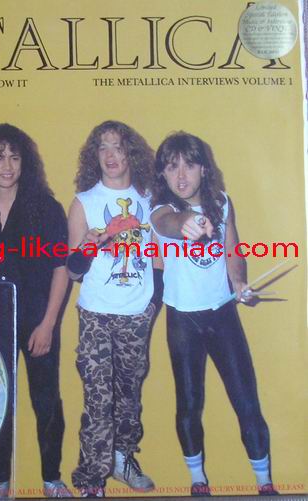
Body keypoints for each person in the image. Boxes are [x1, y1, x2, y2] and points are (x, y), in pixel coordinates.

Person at [150, 131, 277, 496]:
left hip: (222, 316)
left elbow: (233, 250)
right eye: (172, 167)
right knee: (189, 404)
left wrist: (239, 283)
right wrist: (186, 222)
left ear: (204, 169)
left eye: (189, 165)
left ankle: (265, 483)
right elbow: (168, 223)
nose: (181, 175)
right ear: (162, 174)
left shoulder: (221, 202)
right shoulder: (160, 209)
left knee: (246, 401)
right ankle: (198, 481)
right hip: (183, 320)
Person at [0, 124, 72, 499]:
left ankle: (52, 479)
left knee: (46, 401)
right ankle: (1, 481)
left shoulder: (46, 207)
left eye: (14, 157)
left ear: (25, 162)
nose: (7, 166)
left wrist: (48, 324)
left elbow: (60, 269)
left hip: (38, 319)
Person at [67, 120, 160, 498]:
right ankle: (92, 477)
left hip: (137, 313)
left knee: (128, 395)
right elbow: (73, 270)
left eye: (118, 146)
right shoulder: (84, 202)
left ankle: (122, 459)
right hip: (96, 313)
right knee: (98, 397)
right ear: (94, 155)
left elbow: (159, 260)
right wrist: (89, 246)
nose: (110, 155)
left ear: (130, 153)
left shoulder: (150, 199)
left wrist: (151, 304)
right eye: (102, 147)